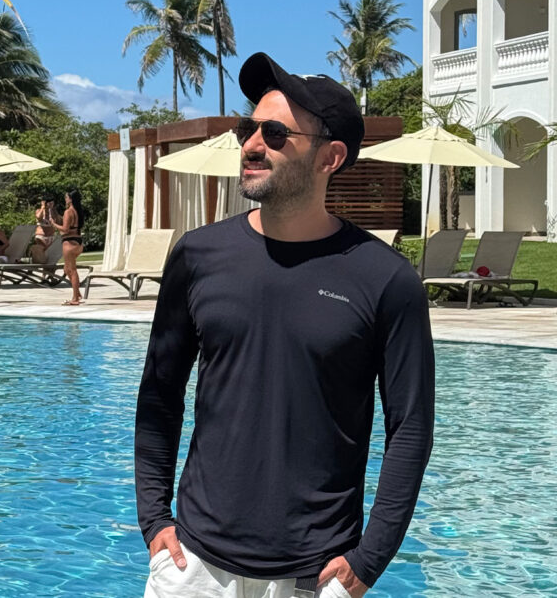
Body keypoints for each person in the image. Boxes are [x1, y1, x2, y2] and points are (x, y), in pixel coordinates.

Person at [135, 53, 435, 598]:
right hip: (193, 567)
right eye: (248, 128)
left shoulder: (385, 280)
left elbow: (409, 429)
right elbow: (159, 393)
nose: (252, 144)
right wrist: (153, 519)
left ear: (331, 157)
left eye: (275, 133)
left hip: (314, 575)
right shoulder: (198, 255)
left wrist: (369, 559)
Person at [51, 188, 86, 305]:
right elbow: (72, 226)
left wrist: (54, 224)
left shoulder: (68, 212)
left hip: (69, 244)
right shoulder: (77, 211)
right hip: (78, 242)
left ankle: (75, 298)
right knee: (66, 269)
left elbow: (65, 230)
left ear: (70, 199)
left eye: (66, 197)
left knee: (72, 270)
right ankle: (77, 293)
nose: (65, 199)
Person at [30, 198, 61, 264]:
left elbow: (58, 221)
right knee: (43, 253)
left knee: (50, 255)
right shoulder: (39, 211)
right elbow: (38, 217)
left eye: (51, 203)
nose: (49, 204)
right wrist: (43, 207)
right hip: (41, 236)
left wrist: (54, 211)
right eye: (48, 203)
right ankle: (38, 265)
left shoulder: (53, 212)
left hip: (50, 236)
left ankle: (47, 271)